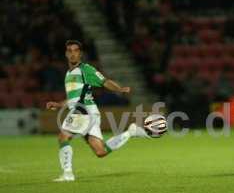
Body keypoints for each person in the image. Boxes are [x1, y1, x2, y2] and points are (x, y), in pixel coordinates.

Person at [46, 40, 155, 182]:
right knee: (101, 151)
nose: (73, 54)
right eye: (70, 51)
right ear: (66, 54)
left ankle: (67, 174)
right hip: (87, 111)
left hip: (83, 111)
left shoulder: (86, 69)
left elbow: (105, 81)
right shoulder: (68, 74)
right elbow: (73, 98)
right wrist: (59, 105)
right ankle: (131, 132)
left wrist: (119, 89)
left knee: (63, 137)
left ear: (80, 54)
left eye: (76, 50)